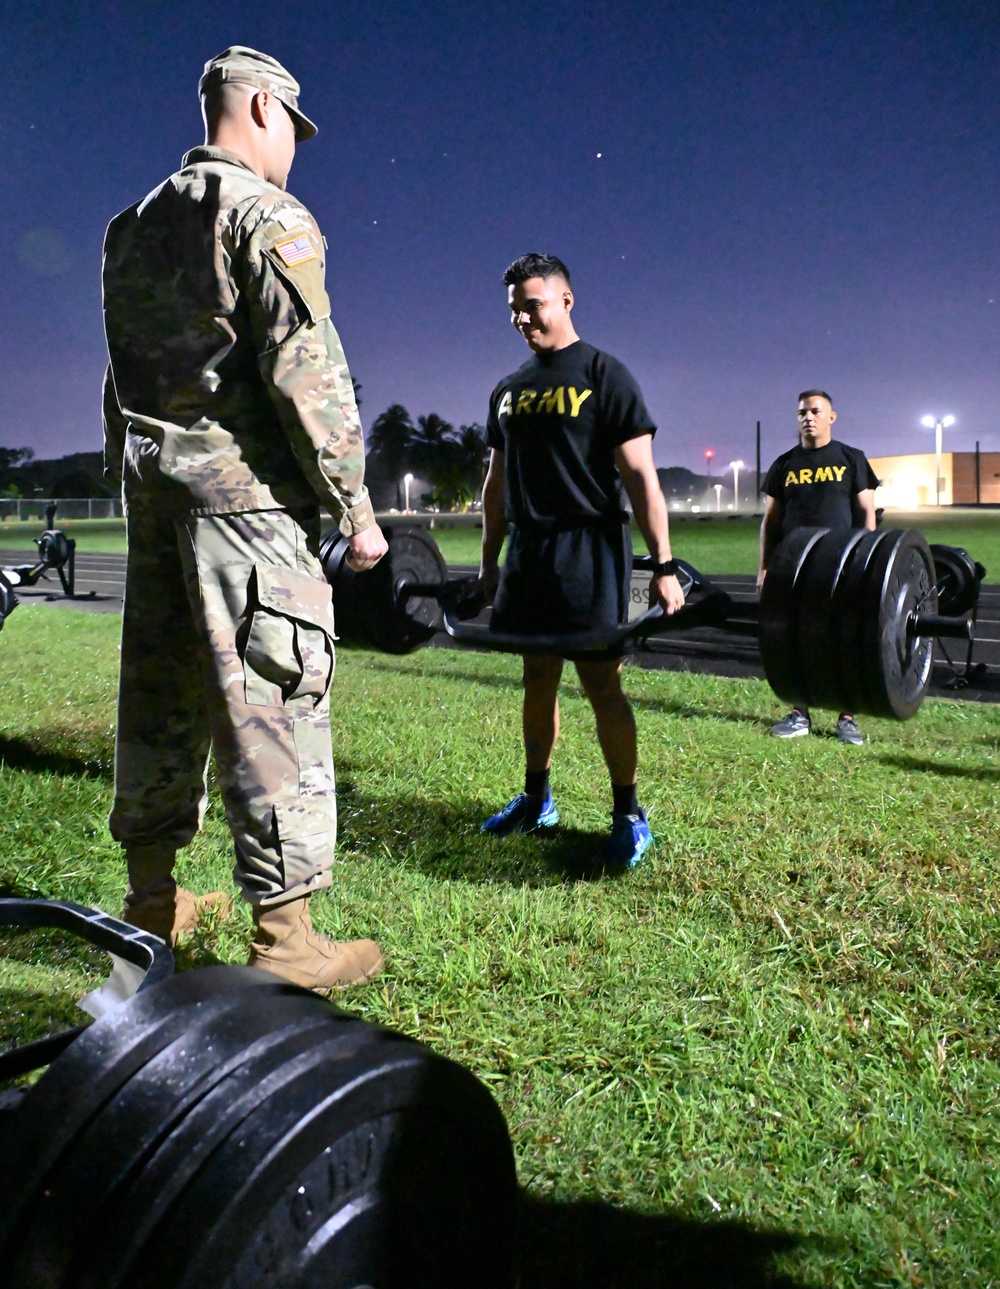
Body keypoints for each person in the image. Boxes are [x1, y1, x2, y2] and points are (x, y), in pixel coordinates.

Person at [101, 46, 388, 989]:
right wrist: (354, 503)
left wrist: (137, 481)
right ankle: (287, 939)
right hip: (248, 508)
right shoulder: (268, 214)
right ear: (262, 108)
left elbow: (122, 381)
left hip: (158, 502)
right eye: (294, 132)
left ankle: (152, 904)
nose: (295, 152)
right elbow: (310, 373)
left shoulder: (132, 227)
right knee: (275, 703)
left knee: (160, 704)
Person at [477, 253, 685, 866]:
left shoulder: (605, 375)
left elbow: (642, 478)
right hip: (530, 554)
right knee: (536, 680)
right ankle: (537, 798)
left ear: (567, 299)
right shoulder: (508, 389)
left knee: (601, 685)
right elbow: (497, 484)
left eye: (532, 304)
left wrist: (664, 566)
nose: (521, 317)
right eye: (514, 307)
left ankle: (628, 812)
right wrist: (490, 565)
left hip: (591, 551)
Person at [758, 389, 879, 744]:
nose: (807, 417)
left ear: (831, 417)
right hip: (794, 567)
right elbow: (771, 521)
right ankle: (799, 713)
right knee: (796, 640)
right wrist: (764, 569)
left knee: (843, 639)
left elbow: (866, 514)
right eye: (802, 413)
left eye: (815, 411)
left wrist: (865, 562)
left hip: (841, 567)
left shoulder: (851, 459)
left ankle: (847, 717)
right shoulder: (784, 464)